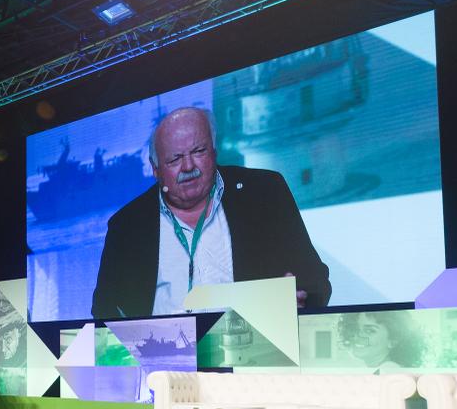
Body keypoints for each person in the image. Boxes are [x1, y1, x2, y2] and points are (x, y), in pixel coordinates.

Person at [91, 107, 331, 319]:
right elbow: (105, 310)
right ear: (155, 169)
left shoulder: (265, 192)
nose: (188, 167)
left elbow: (314, 281)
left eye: (198, 151)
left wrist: (301, 301)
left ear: (214, 151)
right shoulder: (126, 225)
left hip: (252, 357)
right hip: (163, 365)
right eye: (175, 159)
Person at [337, 312, 426, 370]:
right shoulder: (381, 369)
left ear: (393, 340)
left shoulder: (388, 370)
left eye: (370, 331)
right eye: (355, 328)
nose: (358, 335)